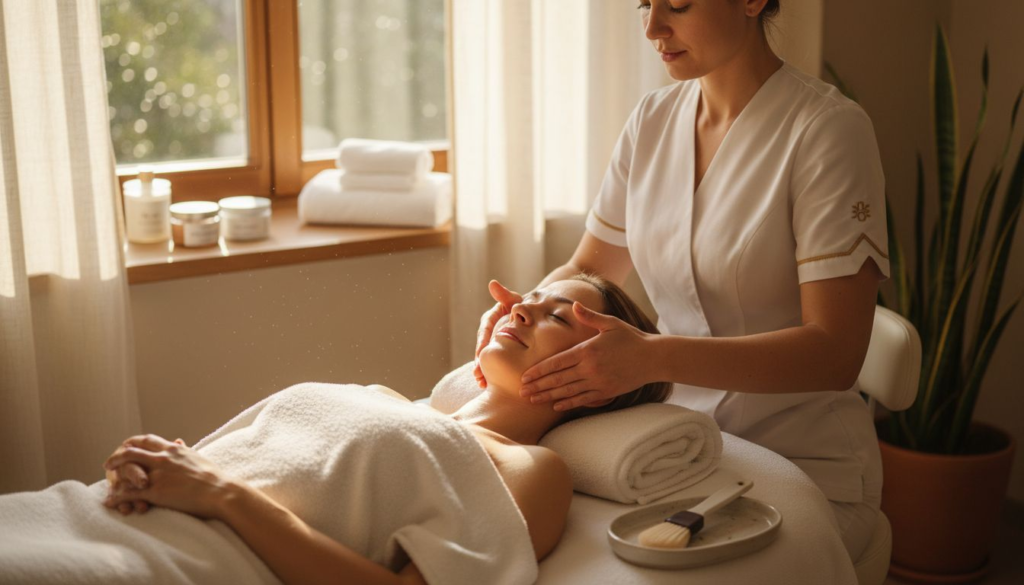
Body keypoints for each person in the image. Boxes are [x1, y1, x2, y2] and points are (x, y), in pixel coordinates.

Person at [473, 0, 889, 562]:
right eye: (645, 3)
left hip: (800, 460)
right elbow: (587, 270)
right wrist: (522, 308)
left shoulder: (826, 131)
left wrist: (651, 359)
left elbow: (837, 353)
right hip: (674, 448)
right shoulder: (653, 121)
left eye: (678, 4)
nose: (652, 27)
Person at [96, 274, 671, 585]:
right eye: (531, 298)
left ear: (603, 377)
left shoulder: (528, 468)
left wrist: (221, 493)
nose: (518, 311)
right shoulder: (386, 400)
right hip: (100, 519)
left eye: (555, 318)